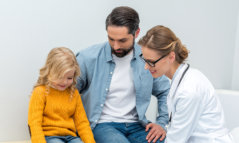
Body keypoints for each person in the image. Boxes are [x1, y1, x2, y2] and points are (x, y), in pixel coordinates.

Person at [76, 6, 170, 143]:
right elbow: (67, 92)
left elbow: (165, 91)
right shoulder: (87, 58)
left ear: (136, 33)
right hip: (102, 125)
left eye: (122, 40)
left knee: (165, 141)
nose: (115, 46)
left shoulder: (147, 58)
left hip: (138, 126)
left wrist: (162, 123)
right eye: (111, 39)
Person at [138, 25, 235, 143]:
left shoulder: (188, 90)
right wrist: (165, 127)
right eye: (145, 60)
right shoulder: (185, 78)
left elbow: (175, 140)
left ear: (171, 57)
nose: (146, 67)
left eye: (151, 62)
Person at [28, 47, 95, 143]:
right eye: (60, 77)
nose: (64, 82)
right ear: (49, 72)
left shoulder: (74, 93)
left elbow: (82, 123)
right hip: (49, 136)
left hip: (71, 136)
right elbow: (34, 123)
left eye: (69, 78)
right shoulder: (40, 92)